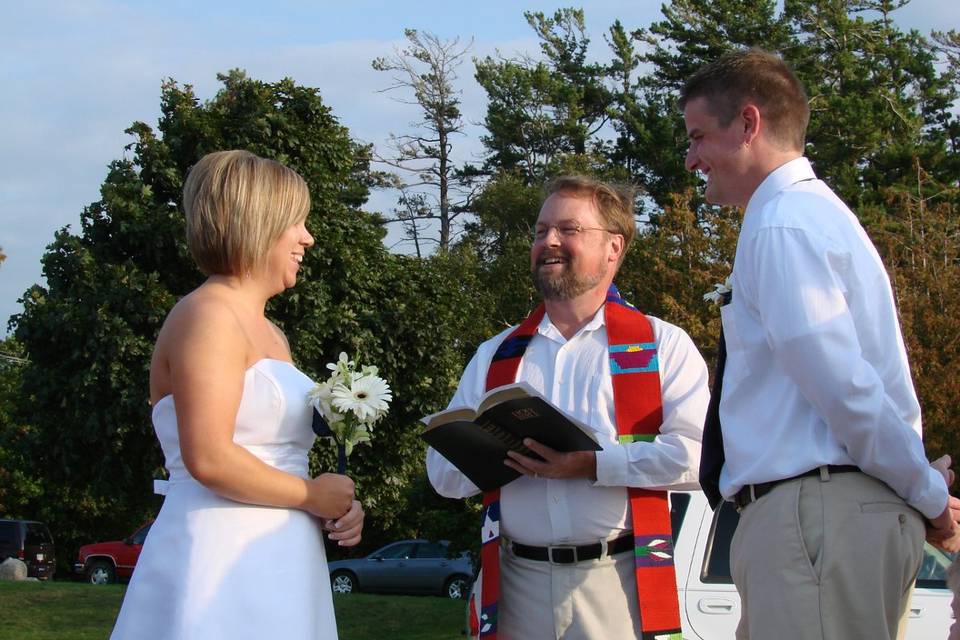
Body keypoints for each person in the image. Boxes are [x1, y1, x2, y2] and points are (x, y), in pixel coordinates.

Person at [681, 48, 957, 640]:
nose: (691, 159)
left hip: (815, 520)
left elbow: (845, 387)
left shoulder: (784, 224)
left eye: (699, 136)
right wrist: (919, 489)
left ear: (749, 124)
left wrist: (929, 495)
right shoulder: (800, 217)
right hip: (819, 520)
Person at [427, 176, 709, 640]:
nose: (549, 242)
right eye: (541, 231)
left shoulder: (662, 345)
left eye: (568, 229)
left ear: (614, 247)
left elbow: (700, 458)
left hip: (617, 581)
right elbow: (442, 477)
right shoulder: (495, 355)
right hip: (514, 581)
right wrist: (498, 455)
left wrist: (591, 464)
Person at [111, 150, 364, 639]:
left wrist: (336, 506)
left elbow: (276, 454)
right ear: (259, 222)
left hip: (282, 558)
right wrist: (311, 495)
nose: (307, 238)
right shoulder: (207, 316)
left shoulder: (272, 334)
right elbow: (208, 456)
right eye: (298, 223)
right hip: (218, 557)